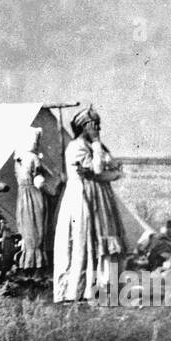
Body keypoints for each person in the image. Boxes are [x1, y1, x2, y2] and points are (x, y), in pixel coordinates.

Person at [53, 104, 130, 303]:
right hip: (82, 199)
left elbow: (111, 168)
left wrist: (110, 172)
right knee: (83, 241)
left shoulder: (97, 146)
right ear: (84, 126)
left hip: (99, 197)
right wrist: (96, 145)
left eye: (98, 125)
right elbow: (97, 169)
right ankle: (78, 290)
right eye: (93, 125)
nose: (98, 129)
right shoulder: (76, 147)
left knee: (100, 241)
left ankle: (101, 288)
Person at [13, 149, 54, 282]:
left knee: (26, 228)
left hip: (23, 195)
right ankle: (38, 267)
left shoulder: (18, 157)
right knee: (37, 228)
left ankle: (27, 265)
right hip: (34, 194)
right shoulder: (34, 157)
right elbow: (39, 180)